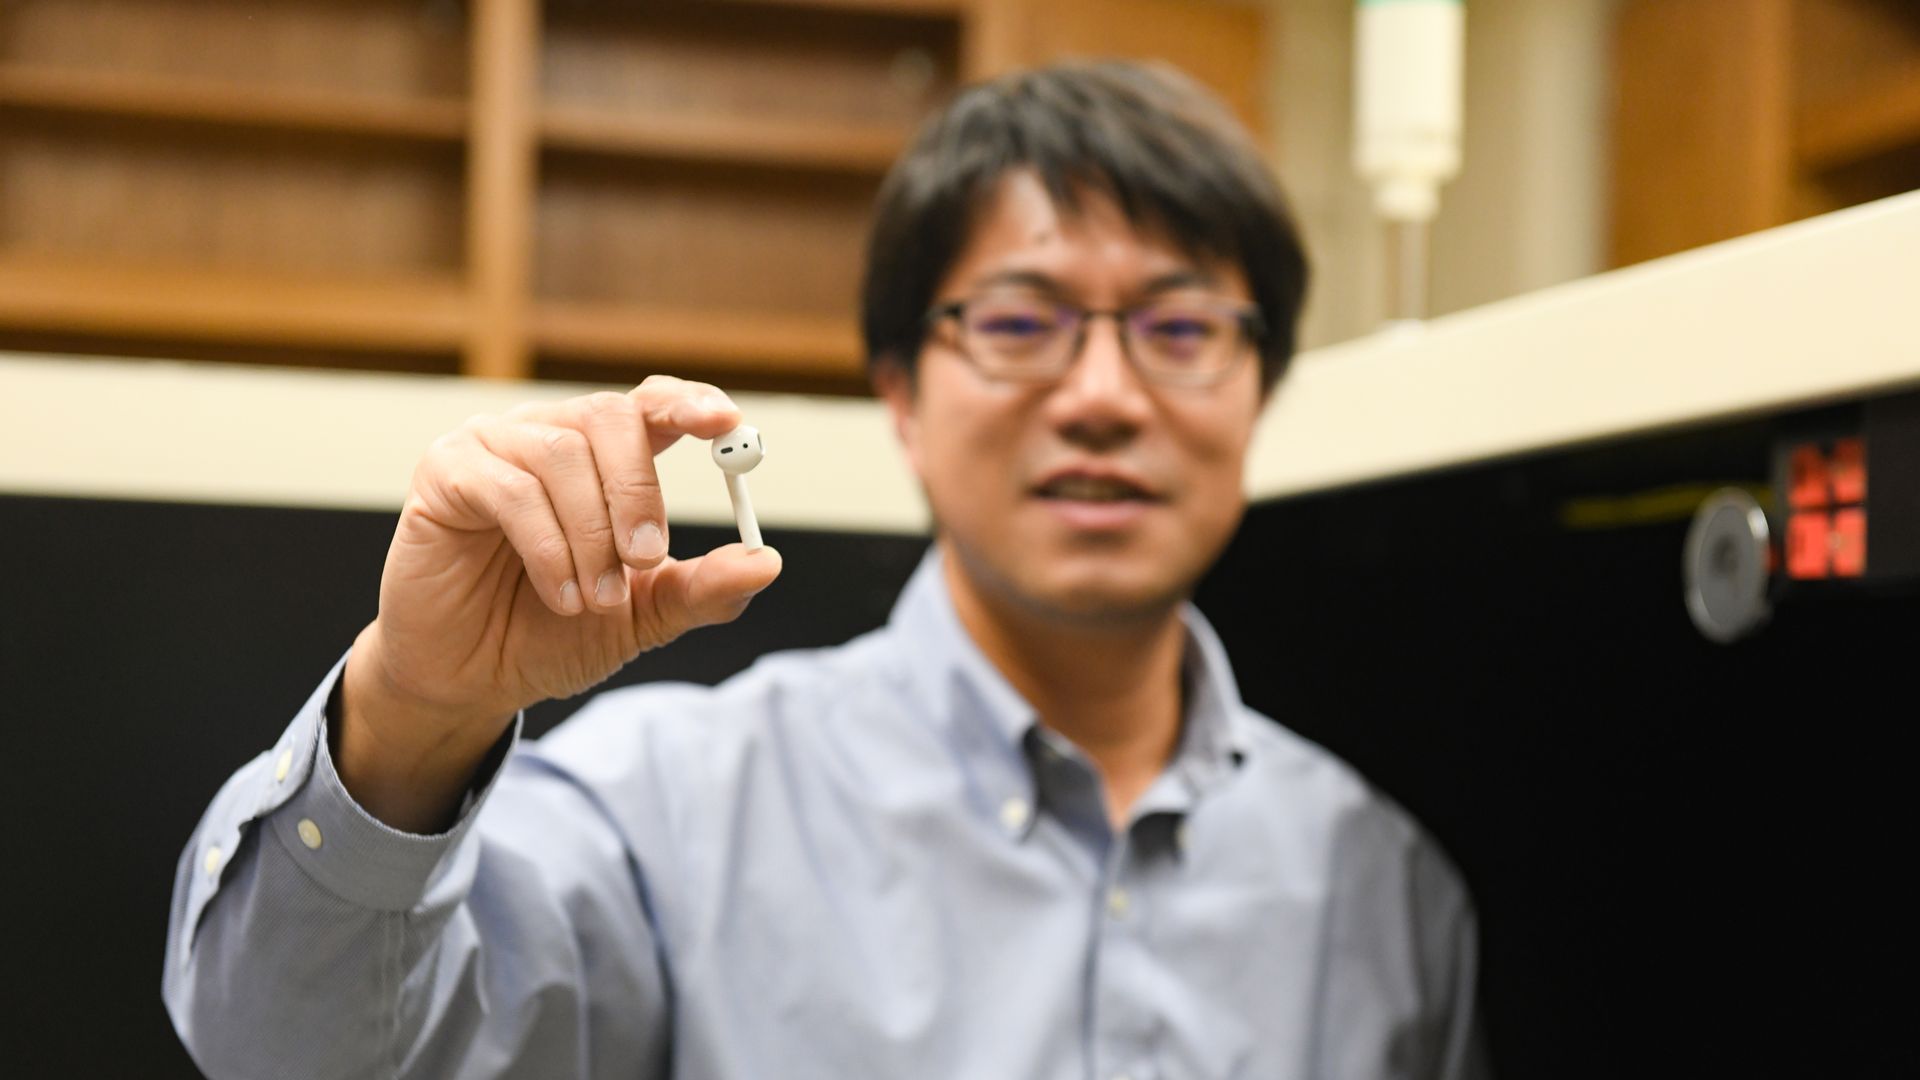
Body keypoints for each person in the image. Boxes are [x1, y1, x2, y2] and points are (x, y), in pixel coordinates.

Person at [164, 60, 1485, 1079]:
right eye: (1020, 321)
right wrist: (416, 712)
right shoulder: (666, 817)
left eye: (1182, 326)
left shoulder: (1380, 885)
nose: (1102, 395)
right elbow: (285, 1047)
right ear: (902, 394)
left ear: (1260, 388)